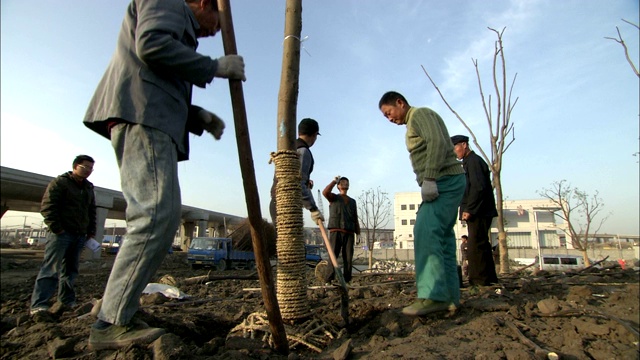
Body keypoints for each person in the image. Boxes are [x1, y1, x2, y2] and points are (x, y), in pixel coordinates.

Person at [83, 0, 246, 350]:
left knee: (161, 216)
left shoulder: (181, 25)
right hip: (144, 117)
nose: (216, 30)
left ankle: (119, 311)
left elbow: (161, 76)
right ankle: (110, 322)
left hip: (152, 117)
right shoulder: (169, 1)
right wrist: (214, 67)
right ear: (204, 3)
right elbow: (152, 45)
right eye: (218, 21)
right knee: (155, 215)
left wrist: (196, 115)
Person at [379, 91, 465, 316]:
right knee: (442, 237)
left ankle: (433, 295)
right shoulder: (413, 123)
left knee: (425, 230)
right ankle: (449, 297)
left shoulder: (420, 114)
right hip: (447, 180)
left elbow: (436, 142)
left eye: (389, 113)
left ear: (400, 102)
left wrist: (429, 178)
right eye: (385, 117)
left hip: (444, 179)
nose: (389, 119)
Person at [30, 155, 97, 315]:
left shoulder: (88, 187)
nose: (88, 171)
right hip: (61, 234)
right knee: (51, 269)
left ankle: (67, 301)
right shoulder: (60, 183)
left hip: (79, 235)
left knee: (70, 271)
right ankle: (39, 305)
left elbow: (91, 210)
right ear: (75, 166)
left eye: (91, 168)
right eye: (85, 167)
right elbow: (47, 207)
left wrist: (90, 231)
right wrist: (57, 228)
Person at [451, 135, 499, 286]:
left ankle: (478, 281)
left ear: (464, 145)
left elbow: (478, 187)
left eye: (455, 148)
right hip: (479, 210)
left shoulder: (474, 162)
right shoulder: (468, 163)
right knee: (482, 244)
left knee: (475, 246)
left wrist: (469, 209)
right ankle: (489, 279)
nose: (454, 152)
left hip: (480, 211)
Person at [269, 118, 324, 225]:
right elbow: (298, 182)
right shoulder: (303, 151)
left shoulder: (289, 148)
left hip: (276, 201)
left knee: (281, 240)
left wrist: (306, 181)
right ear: (314, 135)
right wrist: (313, 208)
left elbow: (292, 177)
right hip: (288, 206)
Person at [322, 176, 361, 283]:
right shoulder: (333, 197)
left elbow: (355, 217)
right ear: (338, 186)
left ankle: (347, 280)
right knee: (333, 256)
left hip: (349, 232)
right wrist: (334, 181)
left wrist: (358, 233)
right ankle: (329, 279)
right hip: (336, 231)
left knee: (348, 258)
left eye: (346, 182)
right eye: (342, 182)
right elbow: (325, 192)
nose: (345, 183)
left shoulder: (352, 201)